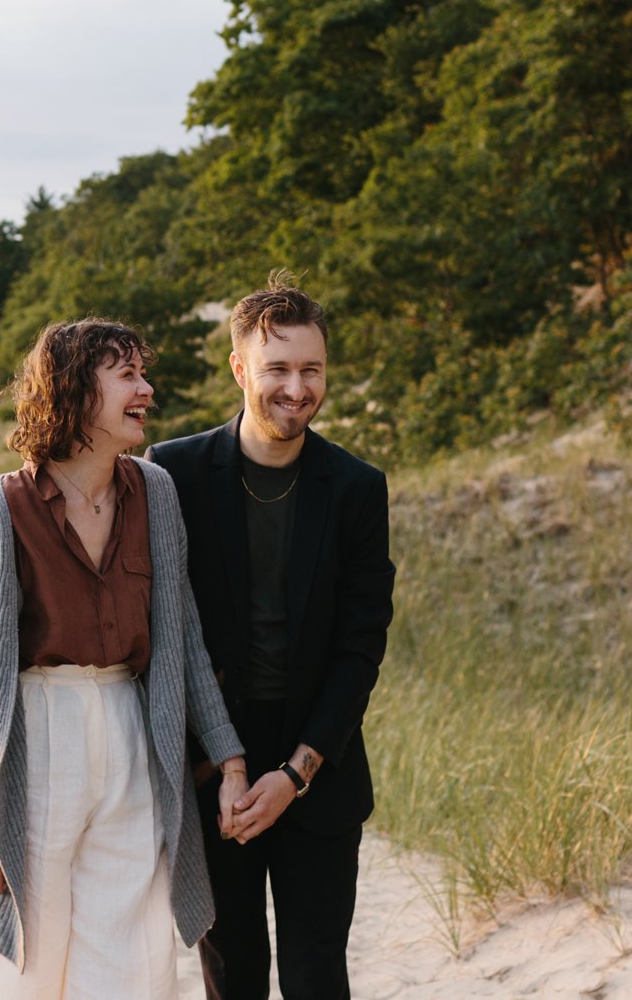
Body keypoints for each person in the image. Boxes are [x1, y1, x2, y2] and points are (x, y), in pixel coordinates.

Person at [0, 317, 253, 1000]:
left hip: (131, 726)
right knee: (28, 954)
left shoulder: (155, 492)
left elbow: (184, 637)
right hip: (36, 731)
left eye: (144, 373)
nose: (146, 388)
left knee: (131, 951)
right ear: (77, 391)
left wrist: (229, 757)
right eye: (128, 375)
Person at [149, 277, 395, 1000]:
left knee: (319, 975)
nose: (297, 386)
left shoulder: (357, 486)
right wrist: (222, 761)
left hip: (320, 765)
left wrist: (295, 773)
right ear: (239, 368)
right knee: (234, 978)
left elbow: (361, 646)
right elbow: (166, 629)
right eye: (277, 368)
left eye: (311, 369)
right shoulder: (174, 471)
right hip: (210, 774)